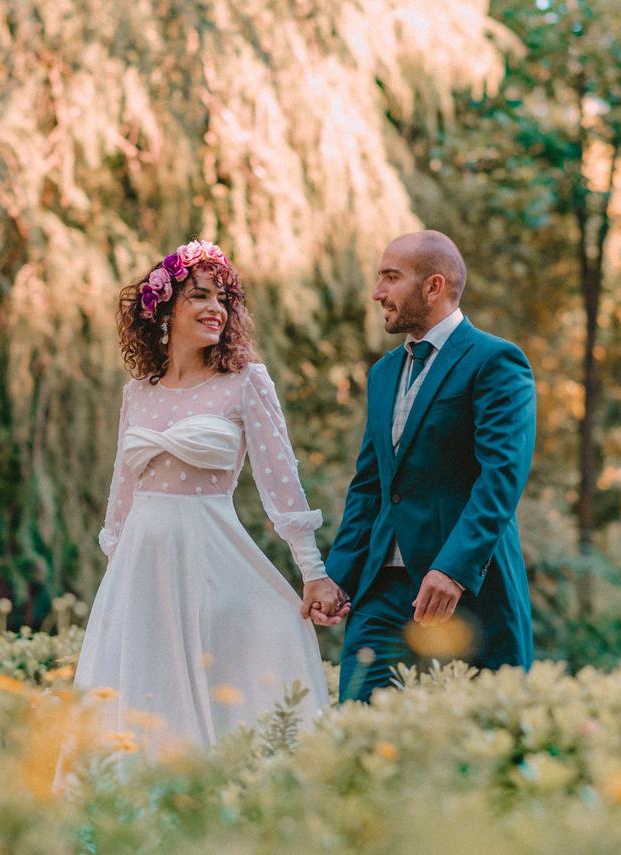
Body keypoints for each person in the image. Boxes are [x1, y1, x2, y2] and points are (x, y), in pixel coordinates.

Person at [71, 240, 349, 759]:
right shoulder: (138, 393)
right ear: (164, 308)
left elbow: (281, 485)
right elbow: (121, 496)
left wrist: (312, 571)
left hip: (210, 554)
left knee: (228, 675)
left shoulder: (245, 382)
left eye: (223, 299)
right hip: (140, 569)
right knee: (139, 692)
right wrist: (117, 580)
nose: (214, 309)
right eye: (199, 296)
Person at [325, 230, 537, 703]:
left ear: (433, 286)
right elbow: (370, 486)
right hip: (382, 592)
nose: (378, 292)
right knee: (360, 727)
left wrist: (454, 569)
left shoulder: (495, 361)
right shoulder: (382, 374)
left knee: (474, 747)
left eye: (390, 278)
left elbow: (501, 477)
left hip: (465, 592)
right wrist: (336, 576)